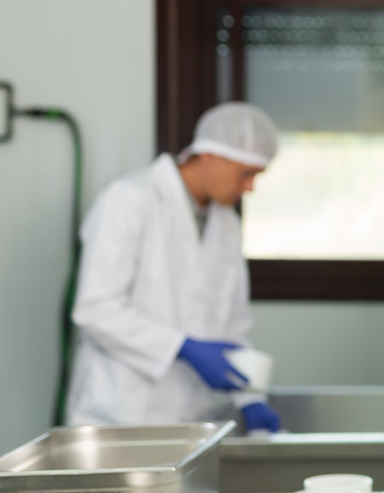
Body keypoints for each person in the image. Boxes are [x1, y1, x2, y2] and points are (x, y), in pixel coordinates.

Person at [65, 102, 282, 433]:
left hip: (192, 418)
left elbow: (233, 324)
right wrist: (181, 347)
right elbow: (95, 308)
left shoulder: (226, 225)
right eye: (246, 173)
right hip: (120, 414)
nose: (250, 188)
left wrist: (248, 395)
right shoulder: (129, 199)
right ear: (209, 155)